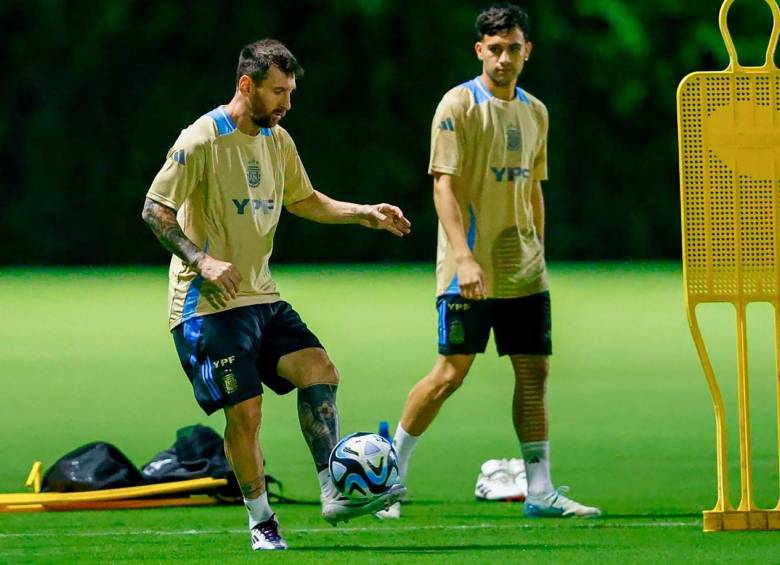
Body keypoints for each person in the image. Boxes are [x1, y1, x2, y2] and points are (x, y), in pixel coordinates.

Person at [141, 38, 410, 551]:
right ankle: (262, 521)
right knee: (246, 413)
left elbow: (304, 199)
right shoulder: (201, 139)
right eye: (278, 92)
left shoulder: (277, 140)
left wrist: (363, 213)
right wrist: (201, 259)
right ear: (247, 85)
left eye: (290, 92)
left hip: (260, 295)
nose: (287, 103)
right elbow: (155, 210)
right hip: (205, 305)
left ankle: (335, 489)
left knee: (320, 371)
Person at [378, 3, 600, 520]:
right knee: (449, 374)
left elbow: (534, 187)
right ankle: (391, 480)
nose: (504, 58)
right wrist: (463, 258)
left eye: (513, 48)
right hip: (469, 270)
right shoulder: (458, 106)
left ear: (528, 51)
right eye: (494, 49)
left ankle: (541, 491)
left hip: (523, 269)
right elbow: (443, 186)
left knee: (533, 373)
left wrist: (538, 248)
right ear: (480, 50)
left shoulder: (536, 111)